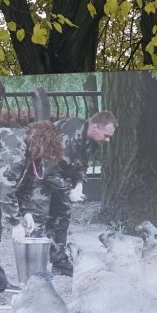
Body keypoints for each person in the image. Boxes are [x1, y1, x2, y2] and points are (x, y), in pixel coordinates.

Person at [0, 120, 75, 304]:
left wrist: (26, 212)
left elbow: (25, 185)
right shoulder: (16, 146)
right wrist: (15, 223)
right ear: (41, 141)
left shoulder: (29, 151)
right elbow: (6, 185)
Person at [30, 111, 118, 275]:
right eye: (106, 135)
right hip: (39, 178)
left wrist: (79, 183)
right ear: (94, 127)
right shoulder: (68, 136)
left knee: (63, 215)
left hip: (58, 178)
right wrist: (69, 191)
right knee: (39, 219)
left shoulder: (92, 141)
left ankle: (59, 262)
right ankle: (34, 268)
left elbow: (81, 164)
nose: (108, 140)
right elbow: (47, 171)